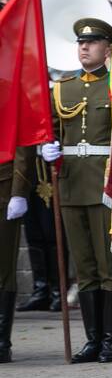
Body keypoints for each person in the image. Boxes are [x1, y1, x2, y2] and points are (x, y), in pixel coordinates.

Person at [40, 18, 112, 363]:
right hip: (72, 184)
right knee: (85, 266)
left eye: (92, 42)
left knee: (108, 265)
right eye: (81, 43)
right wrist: (46, 148)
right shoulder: (62, 88)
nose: (85, 48)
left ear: (108, 49)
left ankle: (111, 341)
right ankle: (92, 339)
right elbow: (50, 131)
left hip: (106, 186)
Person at [0, 148, 32, 362]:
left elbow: (24, 144)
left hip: (3, 187)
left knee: (3, 268)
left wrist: (19, 192)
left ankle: (1, 340)